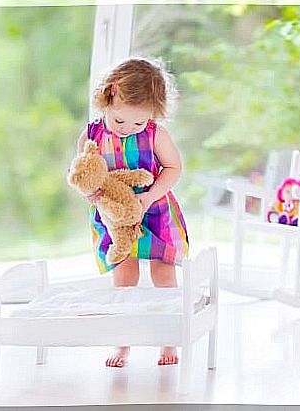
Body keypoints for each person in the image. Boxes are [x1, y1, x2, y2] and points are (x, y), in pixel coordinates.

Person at [75, 57, 189, 368]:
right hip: (114, 218)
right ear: (109, 96)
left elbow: (174, 167)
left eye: (138, 123)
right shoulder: (91, 136)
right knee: (124, 276)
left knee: (163, 274)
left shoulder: (155, 134)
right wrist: (91, 193)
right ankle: (122, 341)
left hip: (153, 210)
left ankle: (168, 338)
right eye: (120, 121)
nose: (128, 129)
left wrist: (150, 197)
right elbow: (82, 173)